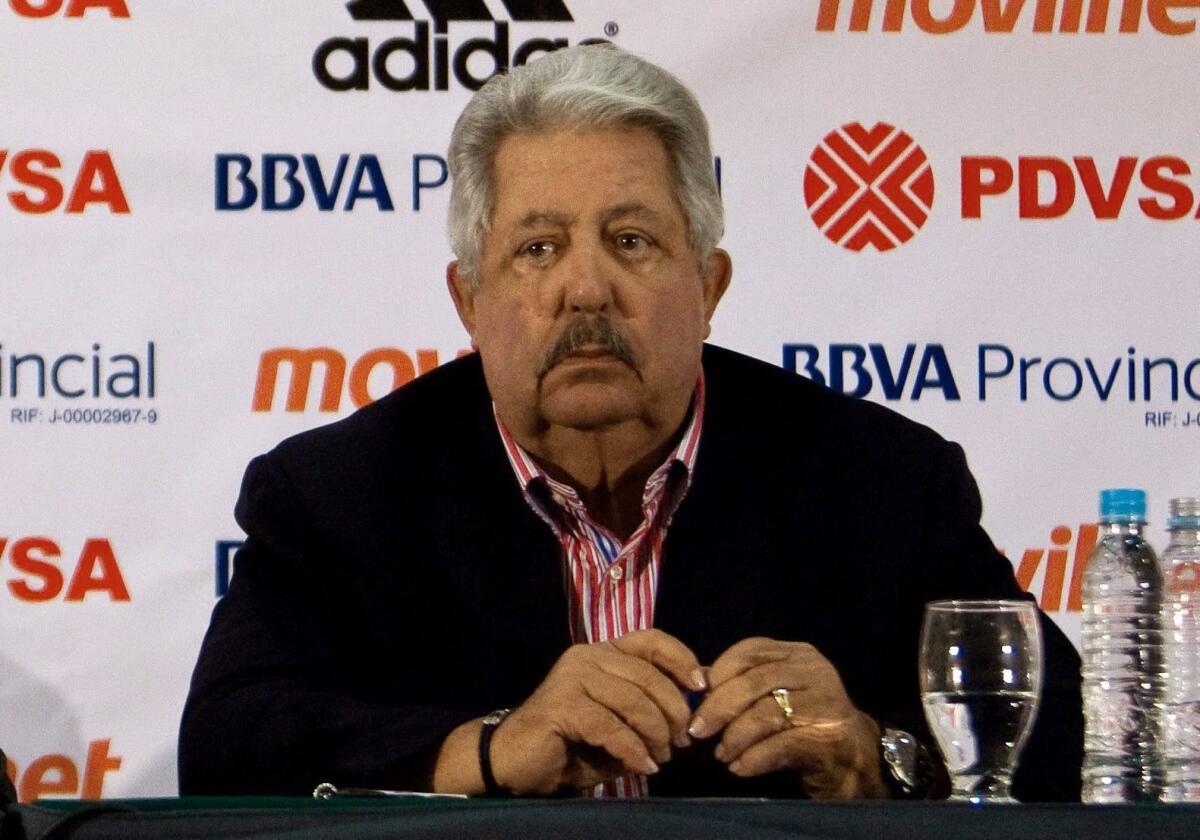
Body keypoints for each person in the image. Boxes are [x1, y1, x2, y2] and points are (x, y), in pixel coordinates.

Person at [179, 44, 1082, 801]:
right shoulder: (341, 493)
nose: (586, 289)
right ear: (469, 301)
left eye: (632, 240)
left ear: (710, 287)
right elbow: (226, 750)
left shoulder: (880, 479)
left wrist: (878, 757)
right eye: (537, 248)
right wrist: (490, 750)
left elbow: (1068, 737)